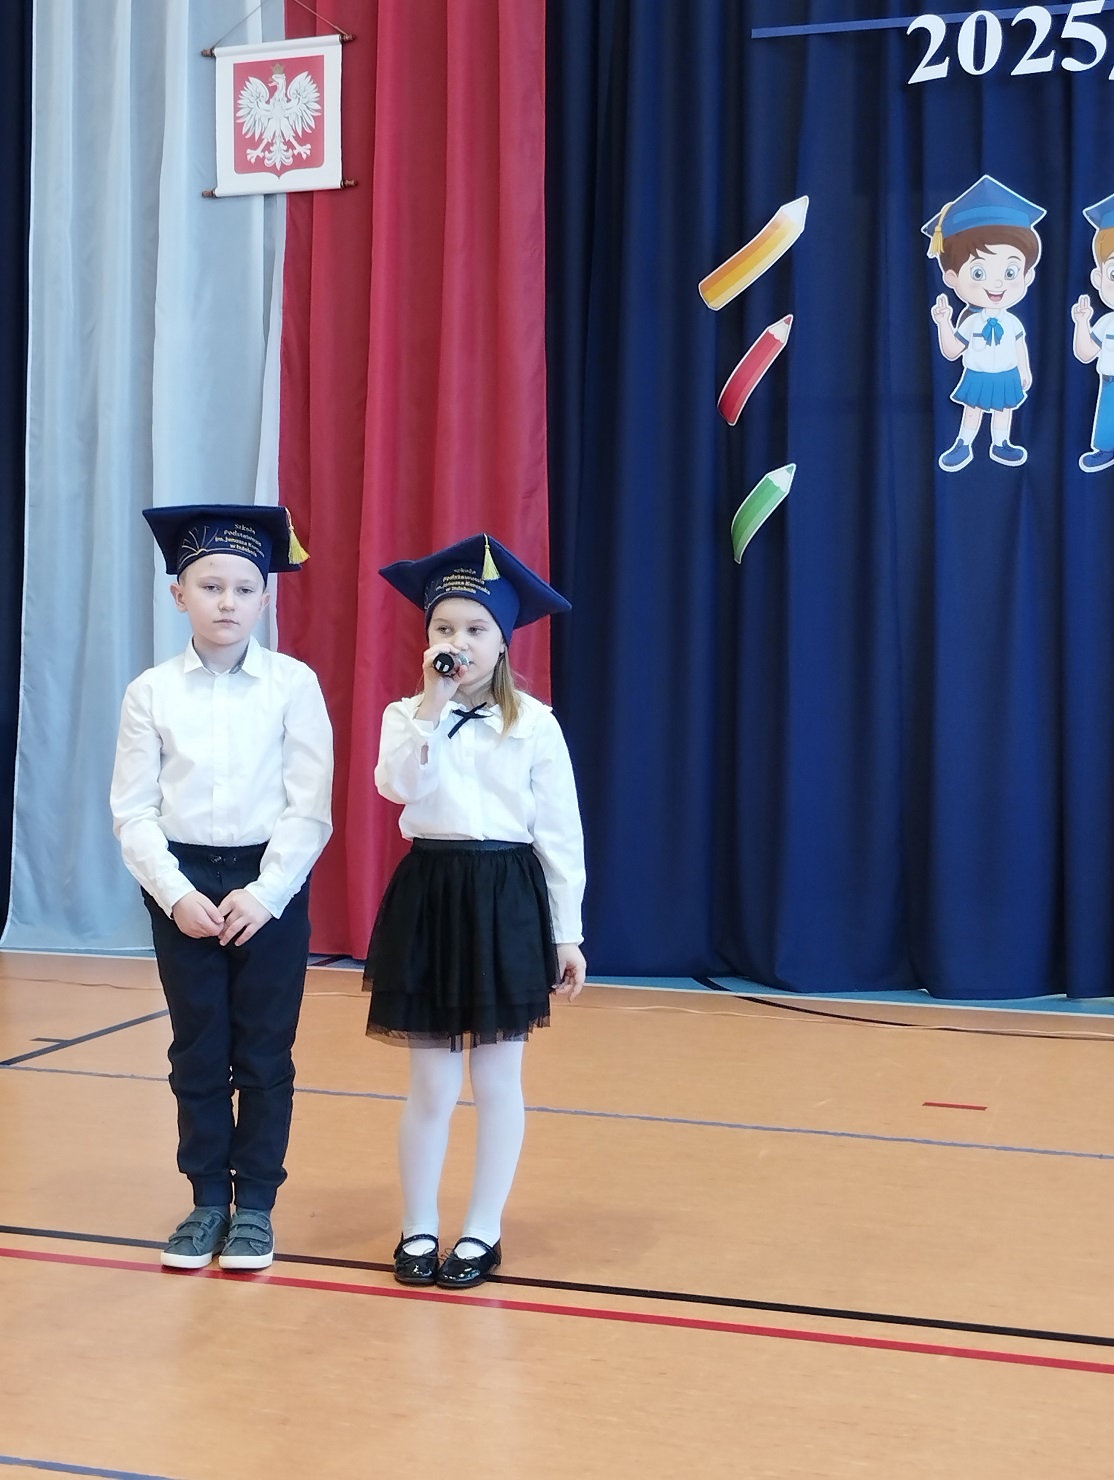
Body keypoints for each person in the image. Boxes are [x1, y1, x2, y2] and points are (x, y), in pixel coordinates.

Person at [110, 504, 333, 1272]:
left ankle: (256, 1206)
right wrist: (174, 894)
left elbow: (310, 807)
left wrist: (266, 894)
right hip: (183, 882)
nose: (227, 602)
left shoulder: (294, 685)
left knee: (265, 1049)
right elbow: (133, 811)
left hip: (270, 881)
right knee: (198, 1047)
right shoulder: (151, 693)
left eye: (244, 588)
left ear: (265, 597)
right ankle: (207, 1198)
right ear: (180, 595)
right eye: (210, 587)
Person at [365, 532, 586, 1290]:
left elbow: (559, 834)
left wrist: (567, 932)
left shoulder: (536, 724)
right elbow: (397, 788)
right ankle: (418, 1225)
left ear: (502, 641)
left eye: (474, 628)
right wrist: (430, 707)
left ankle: (482, 1229)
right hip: (432, 892)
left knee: (496, 1082)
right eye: (444, 628)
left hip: (505, 898)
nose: (457, 642)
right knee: (431, 1085)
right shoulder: (406, 715)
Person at [923, 175, 1044, 472]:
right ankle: (963, 443)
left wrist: (1025, 369)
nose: (997, 283)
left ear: (1028, 275)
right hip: (977, 374)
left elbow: (1019, 345)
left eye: (1011, 271)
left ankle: (1001, 443)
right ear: (952, 277)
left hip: (1007, 373)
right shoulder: (970, 321)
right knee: (973, 409)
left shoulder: (1012, 322)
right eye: (978, 273)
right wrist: (943, 323)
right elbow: (953, 350)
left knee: (1004, 410)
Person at [1071, 192, 1114, 473]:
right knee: (1108, 418)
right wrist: (1082, 322)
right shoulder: (1107, 322)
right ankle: (1106, 449)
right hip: (1111, 382)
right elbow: (1086, 353)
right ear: (1098, 278)